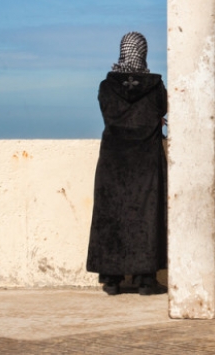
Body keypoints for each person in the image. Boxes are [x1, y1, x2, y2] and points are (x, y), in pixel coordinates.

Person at [86, 32, 168, 295]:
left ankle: (111, 279)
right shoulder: (156, 86)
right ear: (143, 53)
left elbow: (108, 113)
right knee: (147, 214)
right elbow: (160, 110)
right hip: (146, 160)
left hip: (113, 159)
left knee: (110, 214)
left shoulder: (106, 86)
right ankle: (146, 279)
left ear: (122, 51)